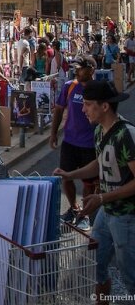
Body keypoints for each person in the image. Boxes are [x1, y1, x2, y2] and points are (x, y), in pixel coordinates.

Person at [53, 80, 135, 298]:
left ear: (105, 106)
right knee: (97, 266)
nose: (82, 109)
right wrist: (70, 175)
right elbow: (99, 163)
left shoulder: (126, 135)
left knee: (130, 275)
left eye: (88, 104)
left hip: (126, 217)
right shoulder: (99, 131)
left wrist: (102, 197)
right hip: (106, 213)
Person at [50, 55, 97, 231]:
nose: (76, 71)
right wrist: (53, 133)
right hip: (70, 142)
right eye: (75, 68)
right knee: (66, 177)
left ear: (91, 71)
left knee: (89, 183)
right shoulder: (70, 87)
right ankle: (74, 208)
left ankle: (85, 214)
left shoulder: (99, 89)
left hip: (90, 144)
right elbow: (59, 110)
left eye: (80, 69)